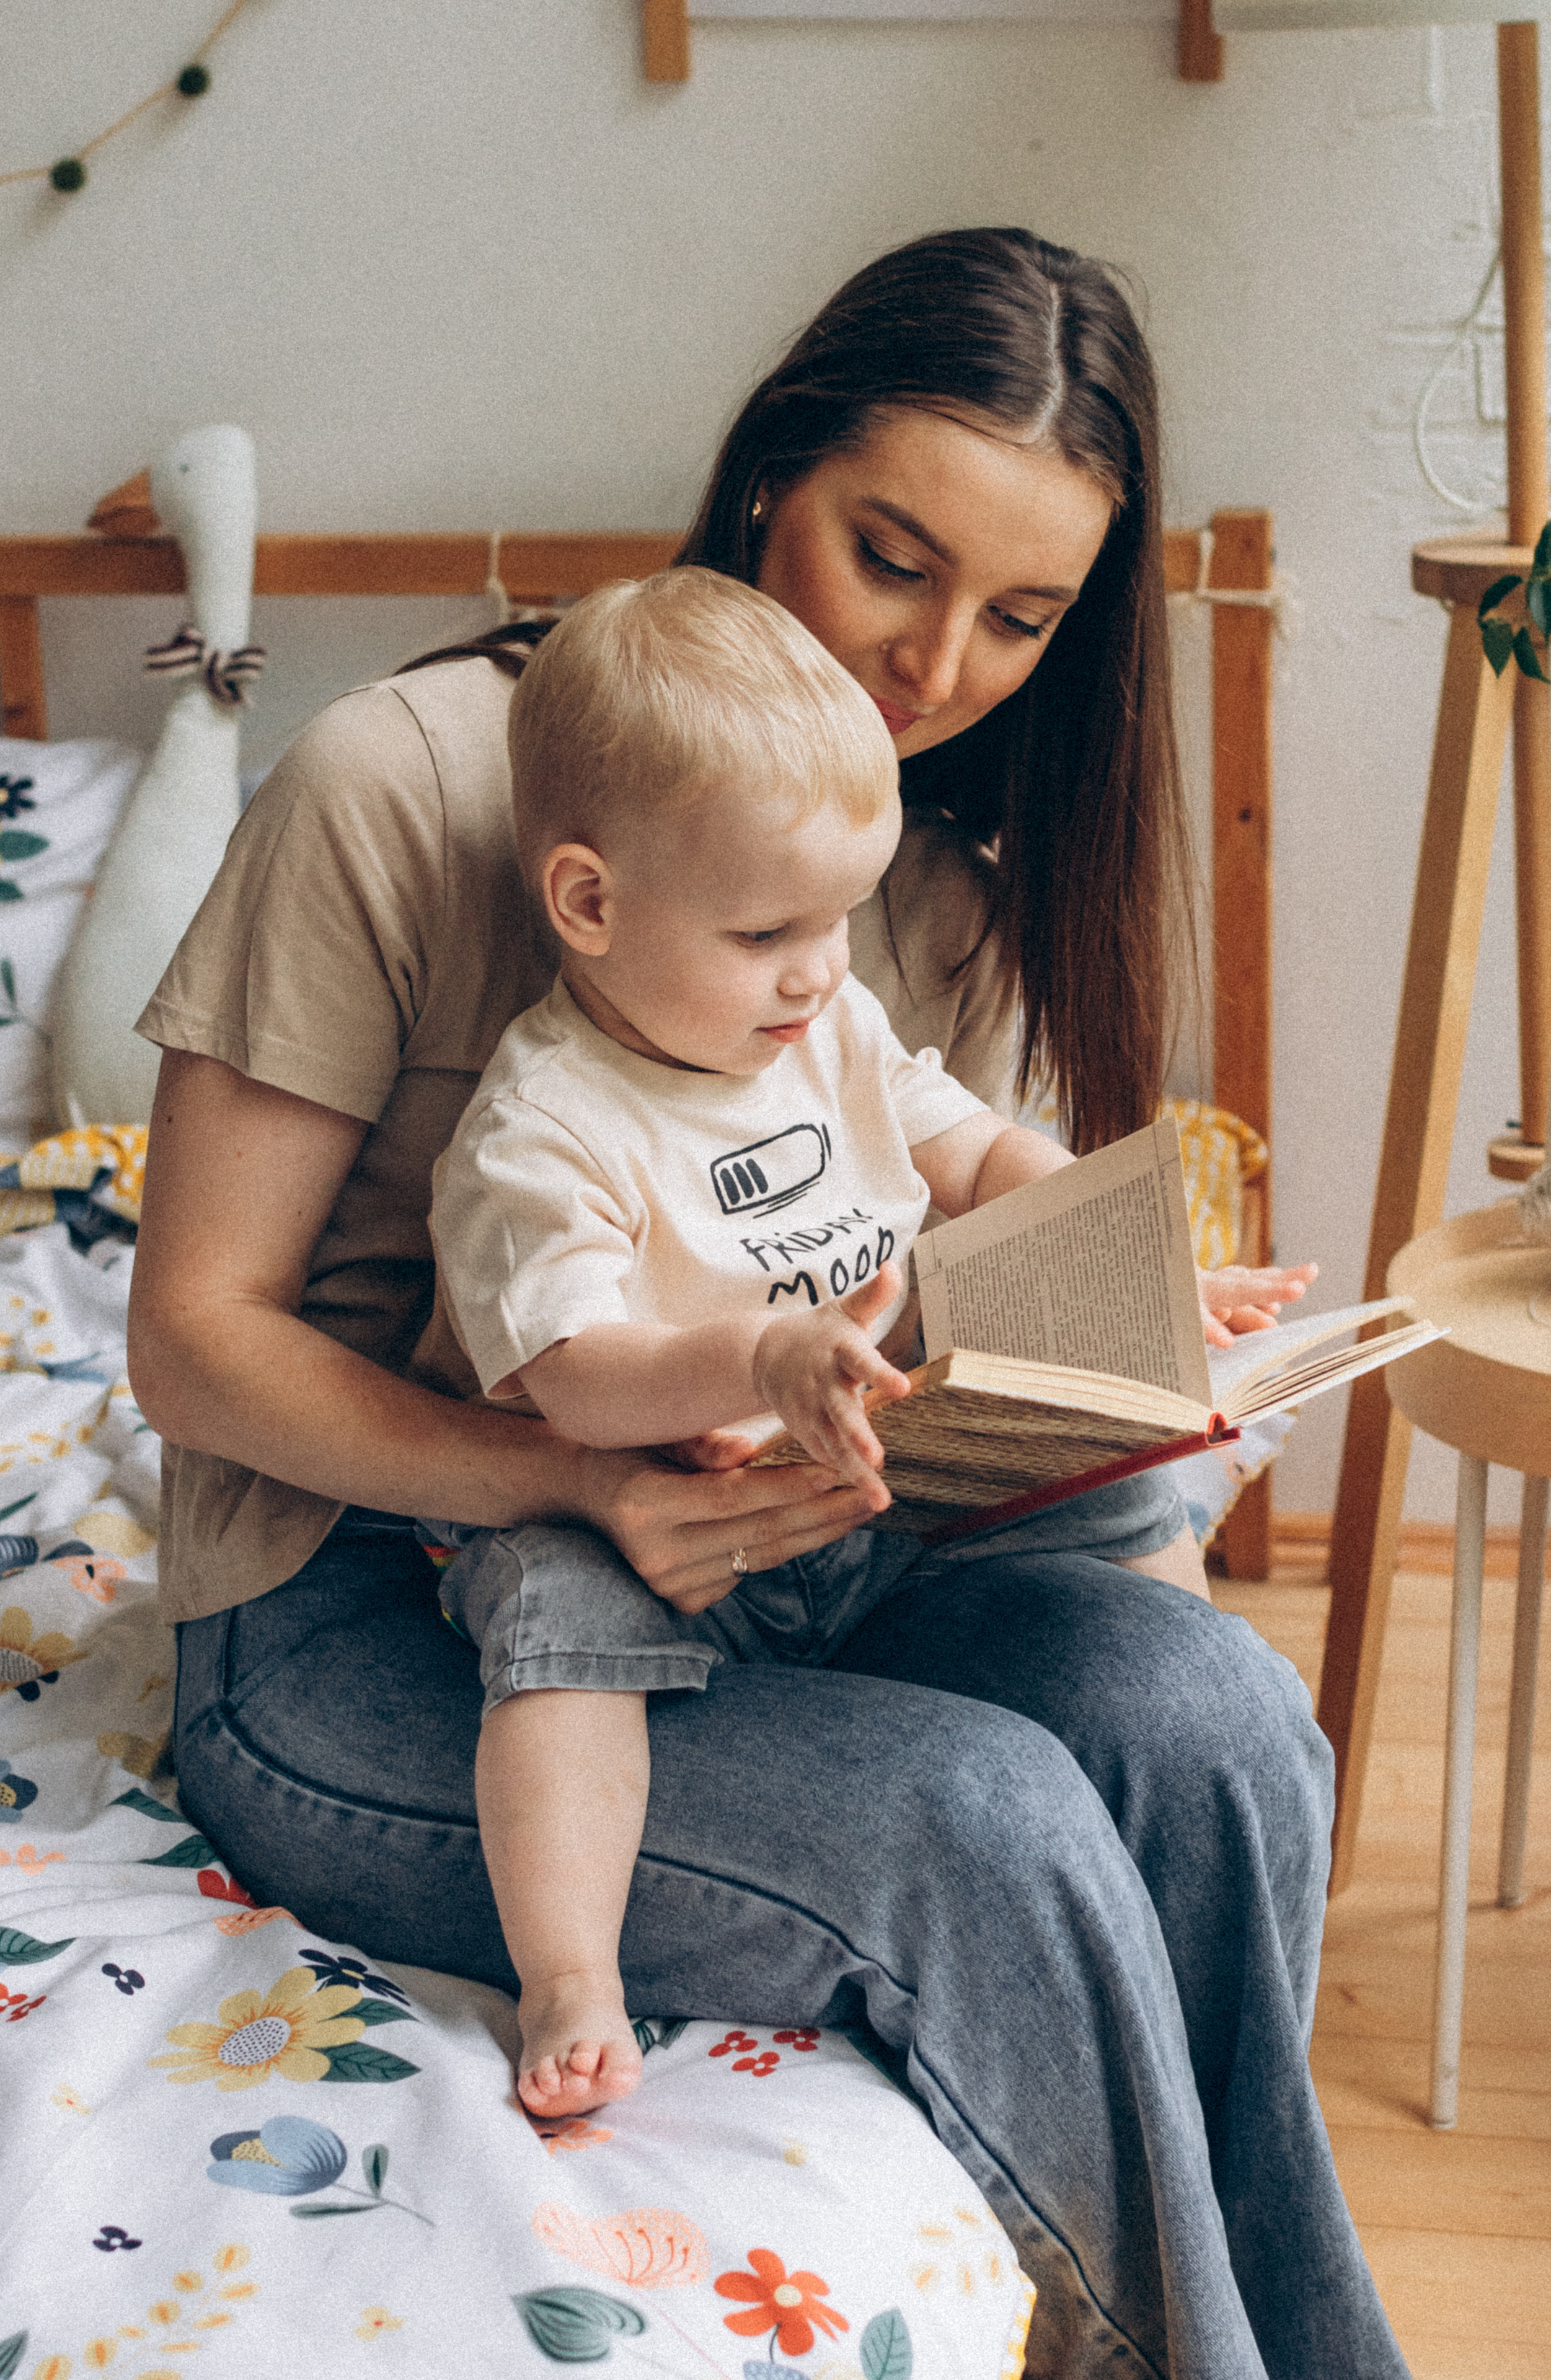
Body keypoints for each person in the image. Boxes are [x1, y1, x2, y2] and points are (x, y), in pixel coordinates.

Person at [129, 227, 1405, 2379]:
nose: (937, 666)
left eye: (1023, 616)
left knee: (1212, 1731)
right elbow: (192, 1336)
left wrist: (1129, 1389)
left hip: (787, 1558)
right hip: (383, 1609)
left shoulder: (911, 881)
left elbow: (918, 1280)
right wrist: (579, 1477)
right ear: (764, 483)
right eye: (893, 557)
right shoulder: (408, 784)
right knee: (986, 1828)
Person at [424, 566, 1312, 2123]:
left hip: (865, 1500)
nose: (820, 966)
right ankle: (569, 1971)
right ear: (588, 902)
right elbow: (568, 1376)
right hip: (659, 1530)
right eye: (768, 928)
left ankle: (1198, 1698)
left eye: (837, 918)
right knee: (551, 1642)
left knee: (1110, 1482)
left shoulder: (819, 1028)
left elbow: (971, 1151)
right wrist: (757, 1359)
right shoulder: (542, 1126)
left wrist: (1121, 1255)